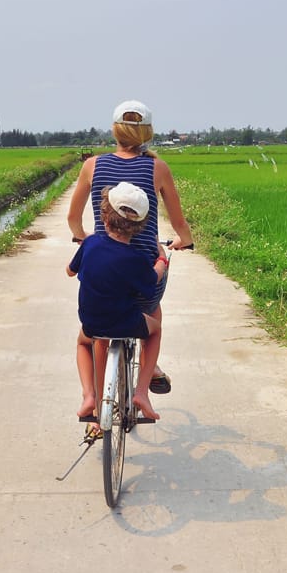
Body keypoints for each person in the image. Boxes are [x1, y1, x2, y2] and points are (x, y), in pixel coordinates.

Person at [67, 100, 194, 401]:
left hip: (105, 269)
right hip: (143, 267)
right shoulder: (157, 167)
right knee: (151, 312)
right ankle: (149, 376)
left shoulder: (92, 165)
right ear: (147, 134)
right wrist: (184, 241)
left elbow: (73, 219)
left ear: (114, 131)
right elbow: (178, 222)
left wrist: (84, 238)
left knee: (97, 336)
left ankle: (96, 407)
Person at [67, 182, 168, 429]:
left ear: (104, 216)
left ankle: (90, 395)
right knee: (155, 330)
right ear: (141, 225)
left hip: (92, 322)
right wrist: (162, 259)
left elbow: (70, 271)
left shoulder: (90, 244)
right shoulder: (136, 259)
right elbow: (151, 280)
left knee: (83, 342)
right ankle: (142, 391)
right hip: (126, 321)